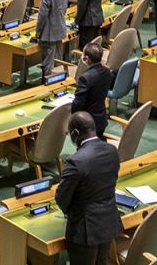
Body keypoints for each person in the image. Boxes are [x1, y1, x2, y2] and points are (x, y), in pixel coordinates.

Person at [55, 111, 122, 265]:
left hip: (85, 230)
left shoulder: (75, 161)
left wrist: (71, 212)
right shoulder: (112, 151)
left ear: (75, 133)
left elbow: (61, 198)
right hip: (108, 222)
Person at [71, 42, 114, 136]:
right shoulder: (107, 72)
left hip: (87, 123)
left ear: (87, 58)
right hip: (101, 120)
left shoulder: (85, 78)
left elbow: (77, 104)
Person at [36, 0, 69, 81]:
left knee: (48, 63)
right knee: (57, 60)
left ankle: (48, 86)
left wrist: (38, 31)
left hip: (49, 32)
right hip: (60, 28)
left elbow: (43, 15)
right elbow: (64, 9)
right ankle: (58, 83)